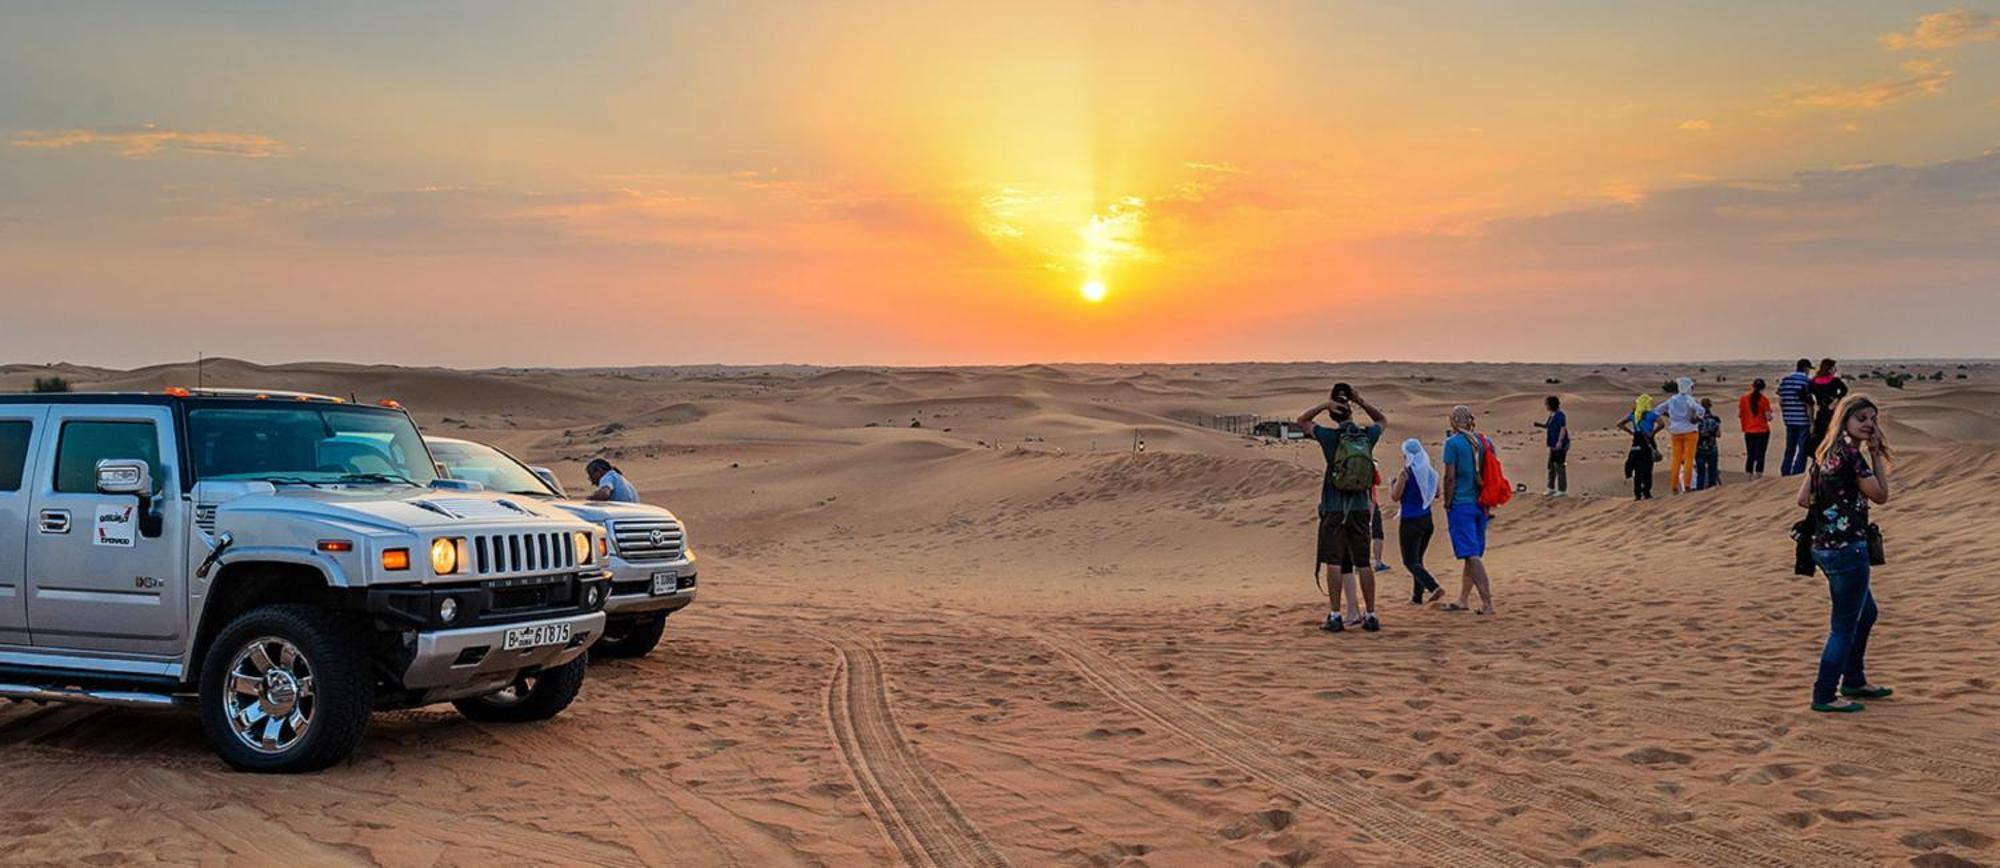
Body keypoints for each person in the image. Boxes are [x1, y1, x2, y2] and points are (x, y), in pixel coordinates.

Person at [1796, 394, 1892, 713]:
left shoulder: (1825, 454)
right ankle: (1824, 694)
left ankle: (1854, 679)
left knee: (1867, 613)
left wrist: (1833, 505)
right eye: (1861, 418)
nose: (1869, 424)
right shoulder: (1851, 456)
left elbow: (1802, 498)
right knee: (1843, 626)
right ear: (1845, 421)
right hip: (1847, 549)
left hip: (1824, 546)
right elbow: (1880, 495)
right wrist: (1876, 455)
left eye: (1873, 419)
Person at [1298, 387, 1388, 633]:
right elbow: (1382, 420)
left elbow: (1302, 421)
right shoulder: (1367, 435)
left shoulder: (1329, 437)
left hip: (1334, 508)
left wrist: (1323, 405)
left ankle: (1335, 615)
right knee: (1364, 563)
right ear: (1351, 410)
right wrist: (1361, 400)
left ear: (1334, 415)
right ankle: (1370, 615)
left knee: (1334, 562)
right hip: (1360, 507)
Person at [1438, 406, 1494, 615]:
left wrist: (1447, 501)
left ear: (1453, 421)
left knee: (1471, 555)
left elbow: (1449, 476)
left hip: (1462, 503)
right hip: (1481, 503)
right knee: (1472, 553)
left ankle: (1487, 603)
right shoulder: (1484, 442)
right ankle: (1463, 599)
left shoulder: (1453, 443)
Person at [1388, 438, 1443, 604]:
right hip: (1426, 519)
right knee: (1417, 560)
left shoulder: (1405, 473)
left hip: (1410, 521)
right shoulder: (1429, 471)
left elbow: (1395, 497)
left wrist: (1392, 484)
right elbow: (1437, 493)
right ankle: (1417, 597)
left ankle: (1433, 587)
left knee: (1410, 561)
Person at [1657, 377, 1702, 494]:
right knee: (1688, 459)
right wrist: (1696, 418)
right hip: (1690, 432)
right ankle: (1687, 485)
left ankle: (1674, 486)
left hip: (1675, 432)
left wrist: (1671, 415)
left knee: (1676, 459)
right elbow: (1700, 410)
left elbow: (1657, 410)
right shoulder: (1689, 399)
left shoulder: (1671, 400)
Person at [1617, 394, 1660, 500]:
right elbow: (1662, 424)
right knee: (1648, 468)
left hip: (1636, 442)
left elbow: (1619, 423)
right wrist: (1653, 432)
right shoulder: (1651, 414)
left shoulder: (1633, 414)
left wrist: (1631, 432)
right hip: (1648, 442)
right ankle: (1647, 492)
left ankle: (1637, 494)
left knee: (1637, 469)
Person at [1778, 359, 1813, 476]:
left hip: (1789, 419)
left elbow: (1781, 400)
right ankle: (1797, 473)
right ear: (1806, 369)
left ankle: (1785, 471)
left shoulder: (1785, 381)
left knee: (1790, 448)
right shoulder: (1807, 382)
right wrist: (1811, 421)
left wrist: (1785, 414)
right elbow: (1808, 404)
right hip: (1803, 419)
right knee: (1802, 449)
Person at [1807, 359, 1849, 450]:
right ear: (1829, 369)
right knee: (1832, 436)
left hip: (1822, 413)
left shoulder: (1814, 381)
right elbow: (1844, 391)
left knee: (1824, 438)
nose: (1835, 370)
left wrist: (1814, 403)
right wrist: (1836, 400)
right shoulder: (1834, 381)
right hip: (1832, 413)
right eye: (1834, 368)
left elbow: (1805, 394)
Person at [1532, 395, 1570, 496]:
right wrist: (1539, 425)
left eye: (1547, 404)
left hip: (1560, 445)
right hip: (1552, 445)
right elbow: (1549, 426)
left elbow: (1563, 428)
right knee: (1551, 466)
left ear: (1551, 404)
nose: (1546, 406)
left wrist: (1560, 441)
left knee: (1559, 466)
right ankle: (1551, 488)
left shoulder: (1560, 415)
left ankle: (1562, 490)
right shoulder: (1552, 415)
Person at [1739, 378, 1774, 479]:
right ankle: (1758, 476)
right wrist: (1771, 416)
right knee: (1760, 455)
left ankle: (1748, 476)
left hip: (1749, 430)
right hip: (1762, 430)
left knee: (1750, 455)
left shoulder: (1744, 399)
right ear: (1763, 388)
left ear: (1752, 386)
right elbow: (1768, 417)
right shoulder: (1764, 400)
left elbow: (1740, 414)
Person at [1694, 397, 1722, 490]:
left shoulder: (1697, 421)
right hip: (1712, 447)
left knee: (1700, 474)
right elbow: (1718, 434)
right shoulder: (1715, 419)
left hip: (1699, 448)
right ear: (1710, 406)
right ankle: (1711, 490)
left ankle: (1699, 491)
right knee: (1712, 472)